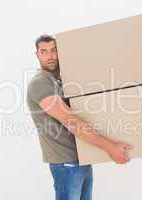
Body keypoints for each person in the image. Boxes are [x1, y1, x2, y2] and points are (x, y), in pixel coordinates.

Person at [26, 34, 133, 200]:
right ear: (37, 55)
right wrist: (110, 147)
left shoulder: (61, 80)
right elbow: (71, 121)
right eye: (44, 51)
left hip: (81, 159)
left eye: (54, 50)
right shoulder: (41, 83)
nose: (50, 56)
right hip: (66, 165)